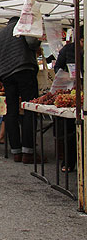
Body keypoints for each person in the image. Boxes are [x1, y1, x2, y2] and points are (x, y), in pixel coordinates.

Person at [0, 16, 41, 164]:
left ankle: (16, 151)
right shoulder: (23, 26)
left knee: (11, 112)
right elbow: (32, 43)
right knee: (29, 108)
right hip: (24, 69)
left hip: (7, 74)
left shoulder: (0, 34)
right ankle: (28, 151)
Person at [52, 28, 83, 172]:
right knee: (70, 130)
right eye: (82, 41)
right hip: (70, 91)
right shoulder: (68, 49)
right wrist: (64, 75)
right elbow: (58, 66)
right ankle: (69, 162)